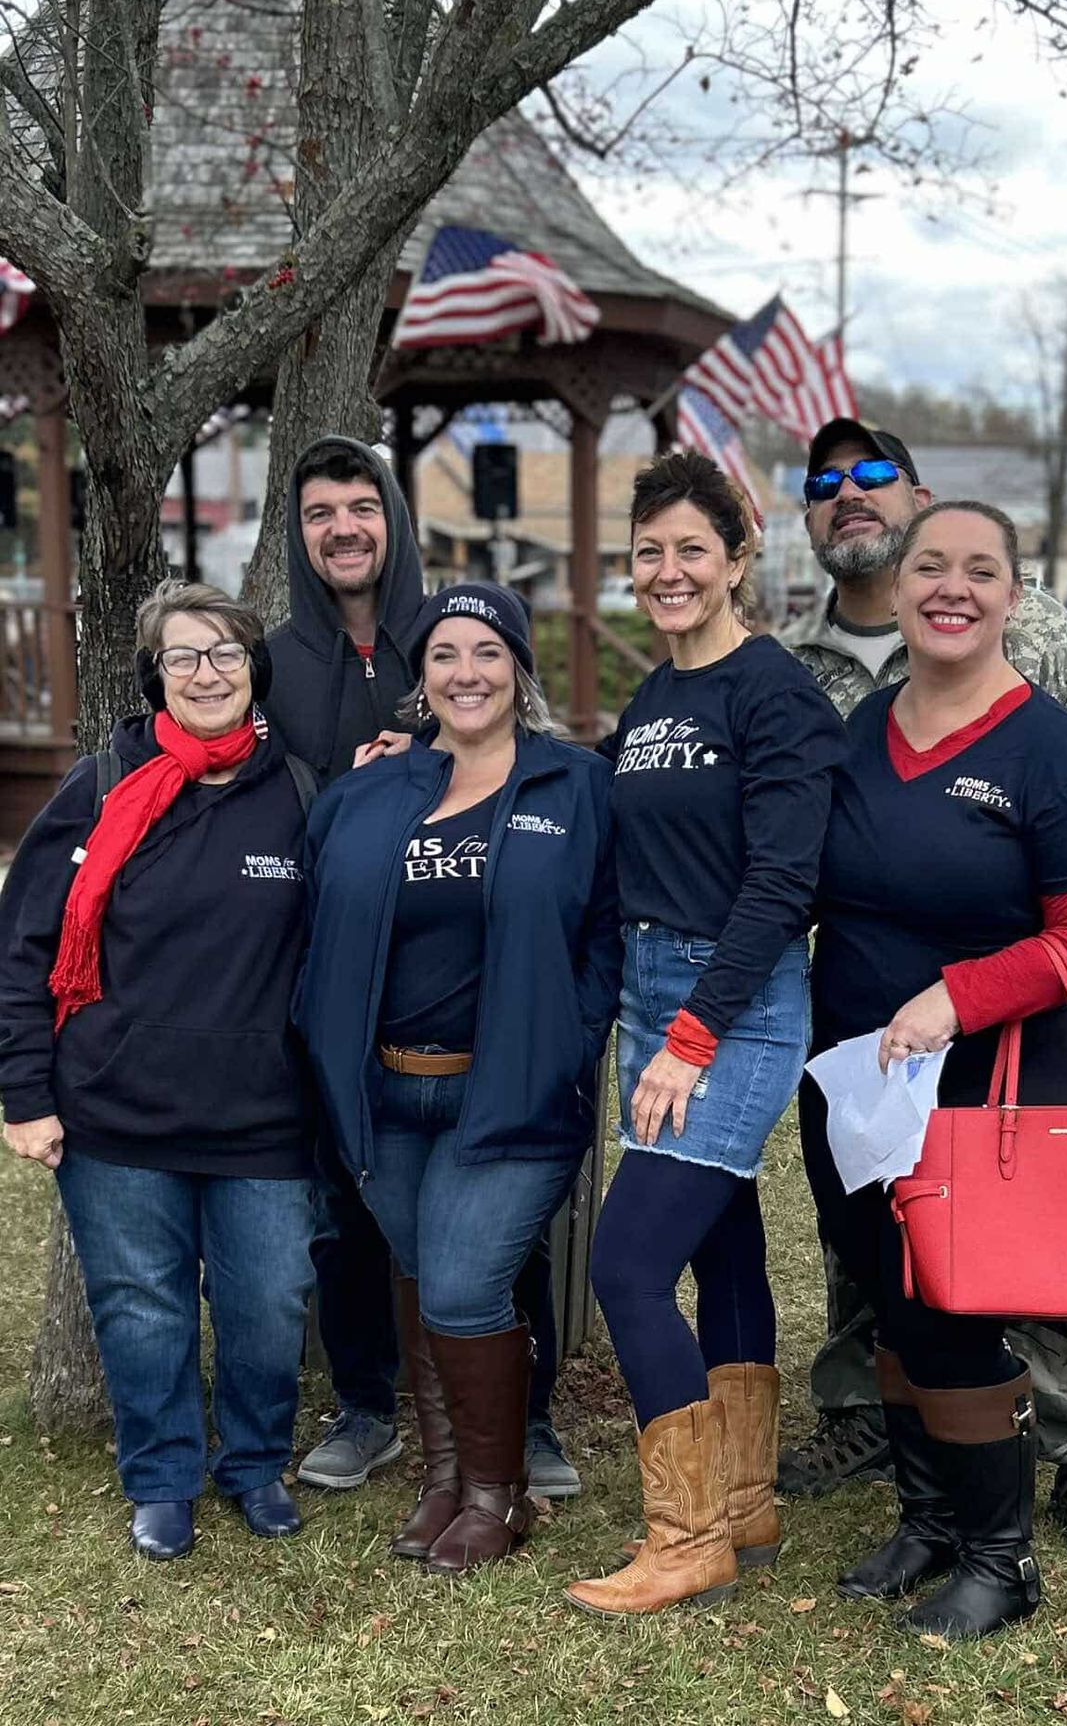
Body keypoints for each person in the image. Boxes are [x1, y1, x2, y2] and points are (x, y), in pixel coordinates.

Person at [778, 416, 1067, 1566]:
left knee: (967, 1308)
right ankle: (927, 1519)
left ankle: (999, 1552)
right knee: (889, 1294)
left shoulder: (1052, 748)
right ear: (897, 591)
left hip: (989, 1074)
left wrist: (957, 997)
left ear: (1013, 596)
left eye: (977, 570)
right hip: (857, 1074)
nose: (949, 587)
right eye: (929, 566)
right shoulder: (854, 732)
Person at [265, 437, 579, 1502]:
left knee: (488, 1228)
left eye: (362, 505)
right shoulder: (278, 657)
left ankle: (521, 1424)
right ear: (297, 531)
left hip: (485, 1002)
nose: (343, 527)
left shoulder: (442, 636)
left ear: (393, 517)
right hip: (351, 981)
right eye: (319, 512)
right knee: (353, 1218)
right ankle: (369, 1405)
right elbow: (259, 778)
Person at [565, 451, 845, 1618]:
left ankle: (686, 1540)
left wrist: (690, 1035)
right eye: (649, 551)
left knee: (628, 1260)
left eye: (692, 548)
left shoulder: (773, 691)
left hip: (730, 998)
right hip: (651, 984)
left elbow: (784, 880)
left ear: (739, 559)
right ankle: (742, 1500)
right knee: (726, 1239)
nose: (668, 570)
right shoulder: (655, 695)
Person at [295, 584, 620, 1575]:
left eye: (486, 651)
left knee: (468, 1282)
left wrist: (570, 1034)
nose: (465, 671)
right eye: (444, 653)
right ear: (420, 674)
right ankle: (446, 1479)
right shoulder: (369, 791)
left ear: (518, 669)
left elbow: (607, 928)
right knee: (424, 1274)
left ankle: (499, 1489)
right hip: (384, 1091)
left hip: (510, 1089)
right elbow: (313, 923)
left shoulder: (576, 784)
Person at [0, 580, 317, 1562]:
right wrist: (24, 1092)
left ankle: (256, 1461)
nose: (207, 672)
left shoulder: (302, 793)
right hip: (116, 1112)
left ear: (254, 669)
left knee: (268, 1307)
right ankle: (163, 1476)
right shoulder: (101, 786)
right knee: (142, 1309)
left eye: (225, 652)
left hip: (264, 1116)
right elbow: (22, 947)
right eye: (184, 655)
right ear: (155, 674)